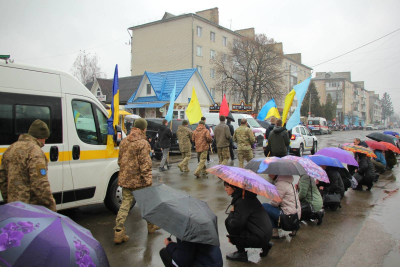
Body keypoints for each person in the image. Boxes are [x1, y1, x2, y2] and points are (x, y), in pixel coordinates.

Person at [114, 118, 160, 243]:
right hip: (139, 180)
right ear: (144, 129)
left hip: (125, 179)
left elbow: (120, 161)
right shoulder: (143, 143)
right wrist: (148, 181)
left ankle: (118, 232)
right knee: (147, 204)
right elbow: (145, 165)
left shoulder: (124, 141)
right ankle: (151, 227)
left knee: (125, 205)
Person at [0, 119, 56, 212]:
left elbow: (2, 180)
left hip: (13, 206)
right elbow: (40, 184)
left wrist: (9, 200)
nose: (44, 143)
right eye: (45, 139)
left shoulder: (11, 148)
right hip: (31, 208)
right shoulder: (35, 151)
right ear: (40, 137)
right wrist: (51, 208)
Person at [224, 182, 273, 262]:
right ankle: (266, 245)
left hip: (260, 238)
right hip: (266, 235)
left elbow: (235, 225)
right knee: (237, 221)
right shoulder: (249, 196)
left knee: (228, 222)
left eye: (227, 187)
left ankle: (241, 253)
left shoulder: (242, 201)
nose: (225, 189)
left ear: (234, 188)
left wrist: (233, 238)